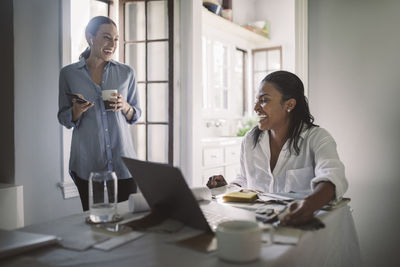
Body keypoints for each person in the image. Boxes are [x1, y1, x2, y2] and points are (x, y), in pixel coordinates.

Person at [207, 70, 348, 226]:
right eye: (257, 100)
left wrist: (309, 205)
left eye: (264, 100)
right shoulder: (250, 140)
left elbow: (332, 178)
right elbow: (245, 180)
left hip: (301, 228)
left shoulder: (317, 138)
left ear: (289, 105)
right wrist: (226, 188)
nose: (255, 108)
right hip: (261, 226)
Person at [58, 16, 141, 211]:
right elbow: (63, 117)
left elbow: (136, 114)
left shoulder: (126, 73)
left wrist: (125, 106)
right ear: (90, 37)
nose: (112, 44)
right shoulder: (69, 74)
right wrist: (76, 111)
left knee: (128, 219)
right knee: (93, 221)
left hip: (123, 163)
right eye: (106, 37)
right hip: (87, 163)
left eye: (116, 39)